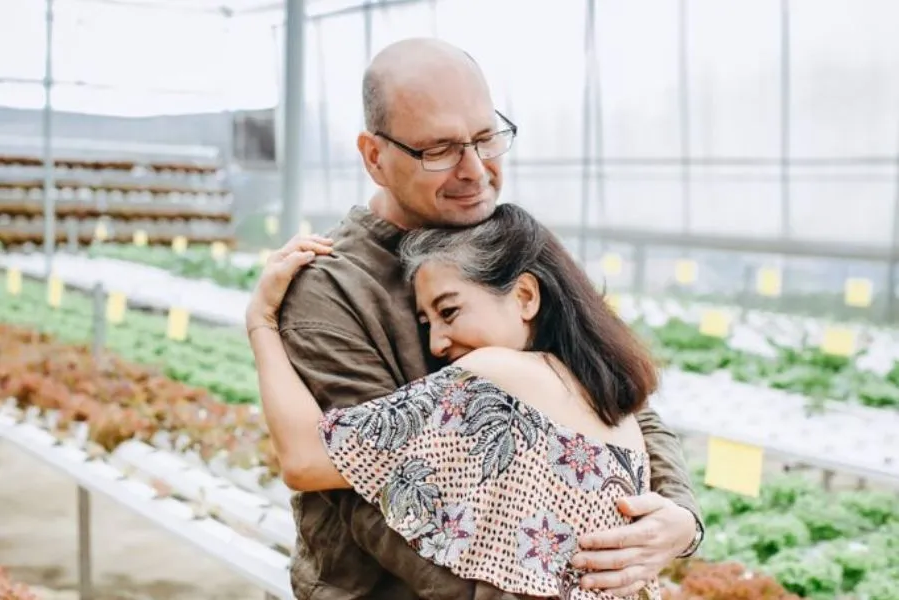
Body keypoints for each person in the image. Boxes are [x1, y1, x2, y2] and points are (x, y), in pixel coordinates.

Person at [267, 37, 703, 600]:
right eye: (440, 149)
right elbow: (367, 493)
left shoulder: (502, 240)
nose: (475, 170)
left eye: (485, 138)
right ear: (374, 156)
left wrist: (679, 518)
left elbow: (610, 387)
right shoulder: (330, 285)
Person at [246, 203, 669, 599]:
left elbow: (305, 460)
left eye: (449, 312)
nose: (437, 342)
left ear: (525, 296)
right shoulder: (613, 409)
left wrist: (261, 322)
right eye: (426, 322)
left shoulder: (493, 378)